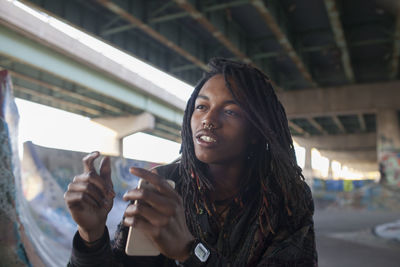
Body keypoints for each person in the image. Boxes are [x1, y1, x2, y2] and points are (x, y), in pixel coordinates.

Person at [65, 58, 318, 266]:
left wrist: (190, 251)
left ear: (255, 131)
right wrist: (91, 235)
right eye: (201, 107)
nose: (208, 119)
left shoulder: (286, 202)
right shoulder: (164, 183)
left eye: (230, 111)